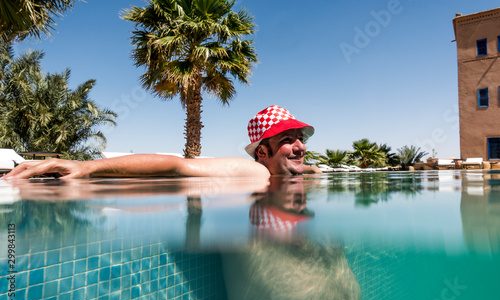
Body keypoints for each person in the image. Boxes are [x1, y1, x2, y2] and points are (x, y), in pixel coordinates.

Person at [1, 105, 321, 180]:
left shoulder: (291, 172)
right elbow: (177, 165)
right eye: (287, 139)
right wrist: (86, 167)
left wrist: (314, 171)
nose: (299, 146)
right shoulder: (256, 173)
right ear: (262, 152)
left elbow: (304, 168)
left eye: (300, 139)